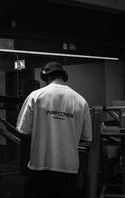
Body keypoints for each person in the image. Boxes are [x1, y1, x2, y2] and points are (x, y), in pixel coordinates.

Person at [16, 62, 92, 198]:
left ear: (45, 77)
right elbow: (86, 138)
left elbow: (23, 131)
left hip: (40, 166)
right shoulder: (81, 101)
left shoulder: (35, 96)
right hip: (69, 168)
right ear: (63, 76)